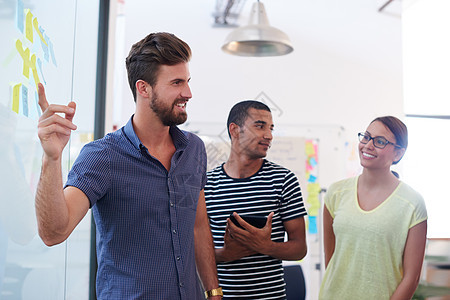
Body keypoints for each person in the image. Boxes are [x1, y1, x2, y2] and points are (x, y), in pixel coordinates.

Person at [35, 32, 222, 299]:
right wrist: (51, 159)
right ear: (143, 88)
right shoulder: (103, 157)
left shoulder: (194, 149)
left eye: (188, 81)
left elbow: (198, 224)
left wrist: (213, 291)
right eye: (177, 83)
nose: (188, 93)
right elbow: (54, 232)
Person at [204, 100, 308, 299]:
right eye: (260, 126)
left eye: (271, 128)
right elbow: (195, 251)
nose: (268, 135)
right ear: (234, 130)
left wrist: (265, 246)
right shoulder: (207, 184)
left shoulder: (283, 180)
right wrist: (225, 254)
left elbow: (299, 248)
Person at [319, 116, 427, 300]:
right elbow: (332, 259)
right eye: (366, 137)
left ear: (398, 153)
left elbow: (412, 278)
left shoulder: (412, 203)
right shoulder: (336, 193)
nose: (368, 145)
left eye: (380, 141)